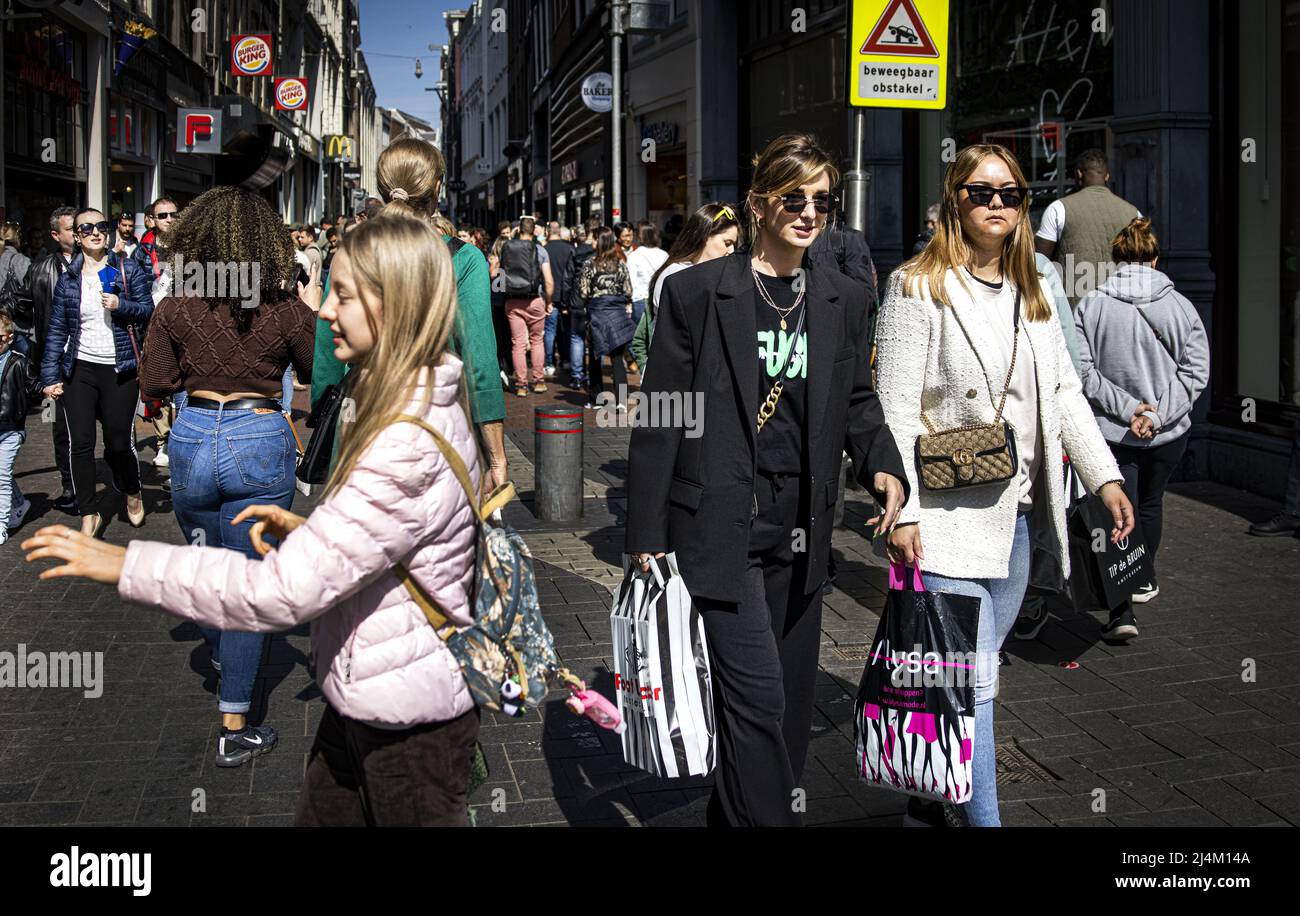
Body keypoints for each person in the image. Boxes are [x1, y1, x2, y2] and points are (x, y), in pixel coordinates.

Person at [24, 211, 484, 826]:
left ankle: (233, 703)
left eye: (341, 295)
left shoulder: (401, 435)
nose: (322, 311)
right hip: (371, 685)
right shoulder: (422, 393)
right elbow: (396, 533)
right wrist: (316, 531)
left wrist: (123, 563)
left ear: (392, 305)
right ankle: (237, 715)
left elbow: (279, 594)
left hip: (405, 715)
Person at [626, 133, 909, 826]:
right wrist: (644, 532)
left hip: (803, 529)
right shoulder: (697, 293)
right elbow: (663, 415)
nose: (808, 212)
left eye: (822, 200)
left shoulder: (842, 298)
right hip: (719, 526)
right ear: (757, 205)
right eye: (793, 198)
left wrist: (883, 466)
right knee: (758, 702)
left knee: (780, 720)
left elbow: (856, 401)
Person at [876, 143, 1135, 827]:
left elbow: (1065, 393)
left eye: (1010, 193)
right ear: (953, 201)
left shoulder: (1035, 290)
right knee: (976, 687)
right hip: (945, 520)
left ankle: (925, 810)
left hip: (1019, 521)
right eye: (980, 191)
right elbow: (896, 408)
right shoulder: (916, 286)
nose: (996, 204)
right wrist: (900, 510)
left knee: (960, 686)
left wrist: (1103, 476)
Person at [137, 186, 315, 766]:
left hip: (192, 436)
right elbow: (317, 369)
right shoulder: (283, 305)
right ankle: (235, 724)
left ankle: (220, 648)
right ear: (265, 241)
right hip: (258, 434)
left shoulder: (176, 306)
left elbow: (155, 382)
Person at [312, 136, 508, 496]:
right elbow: (479, 360)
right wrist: (495, 455)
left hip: (360, 423)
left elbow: (326, 352)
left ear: (383, 187)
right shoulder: (464, 259)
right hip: (436, 430)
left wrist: (328, 424)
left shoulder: (349, 252)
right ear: (437, 189)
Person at [1074, 217, 1209, 639]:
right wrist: (1155, 416)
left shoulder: (1092, 304)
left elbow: (1082, 370)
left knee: (1117, 513)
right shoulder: (1181, 306)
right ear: (1154, 257)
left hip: (1113, 432)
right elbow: (1196, 370)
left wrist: (1129, 409)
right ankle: (1143, 577)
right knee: (1150, 504)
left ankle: (1122, 610)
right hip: (1168, 432)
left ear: (1116, 258)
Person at [40, 208, 153, 537]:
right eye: (85, 228)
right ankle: (88, 511)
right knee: (81, 444)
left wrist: (121, 306)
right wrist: (50, 377)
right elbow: (57, 329)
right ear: (76, 236)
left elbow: (149, 311)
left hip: (120, 368)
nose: (94, 232)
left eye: (100, 226)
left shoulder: (126, 268)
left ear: (109, 231)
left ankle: (131, 489)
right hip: (80, 369)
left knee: (118, 443)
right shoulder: (70, 278)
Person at [630, 203, 741, 375]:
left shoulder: (711, 275)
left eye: (734, 244)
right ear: (705, 236)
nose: (731, 251)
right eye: (727, 243)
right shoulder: (676, 276)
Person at [1035, 149, 1141, 306]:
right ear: (1107, 176)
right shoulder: (1134, 213)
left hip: (1075, 309)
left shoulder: (1059, 209)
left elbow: (1038, 261)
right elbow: (1143, 264)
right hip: (1122, 308)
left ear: (1078, 173)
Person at [28, 207, 79, 512]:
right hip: (58, 362)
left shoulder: (105, 265)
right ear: (56, 235)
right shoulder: (40, 270)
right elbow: (21, 304)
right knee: (62, 428)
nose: (79, 233)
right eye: (72, 229)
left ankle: (125, 483)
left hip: (98, 360)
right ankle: (70, 487)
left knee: (114, 431)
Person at [579, 227, 634, 410]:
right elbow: (628, 290)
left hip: (597, 313)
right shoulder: (620, 263)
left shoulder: (589, 264)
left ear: (599, 241)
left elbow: (584, 292)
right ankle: (622, 402)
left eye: (594, 239)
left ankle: (596, 398)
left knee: (595, 356)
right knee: (617, 357)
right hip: (617, 312)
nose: (591, 242)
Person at [499, 216, 555, 396]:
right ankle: (538, 381)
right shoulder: (540, 250)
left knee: (518, 344)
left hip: (513, 300)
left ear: (519, 230)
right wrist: (549, 302)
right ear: (534, 231)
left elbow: (500, 276)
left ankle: (522, 385)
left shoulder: (507, 248)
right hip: (534, 300)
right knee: (537, 340)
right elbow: (549, 281)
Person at [0, 312, 32, 544]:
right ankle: (20, 503)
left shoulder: (18, 361)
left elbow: (34, 383)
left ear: (9, 338)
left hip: (11, 428)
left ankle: (1, 524)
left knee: (0, 476)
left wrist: (50, 389)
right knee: (1, 474)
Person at [561, 224, 595, 392]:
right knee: (596, 338)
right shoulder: (597, 253)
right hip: (594, 301)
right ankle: (594, 374)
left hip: (577, 301)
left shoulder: (574, 253)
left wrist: (565, 302)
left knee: (576, 337)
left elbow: (567, 279)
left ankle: (576, 376)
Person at [543, 220, 574, 377]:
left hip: (550, 295)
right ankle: (567, 360)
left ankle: (549, 363)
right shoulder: (569, 249)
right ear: (560, 232)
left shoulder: (543, 250)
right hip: (566, 296)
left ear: (548, 232)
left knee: (549, 331)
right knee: (567, 330)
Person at [626, 221, 669, 331]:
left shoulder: (634, 256)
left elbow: (631, 282)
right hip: (660, 300)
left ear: (640, 236)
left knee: (639, 340)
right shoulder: (664, 255)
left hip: (640, 299)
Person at [132, 197, 178, 279]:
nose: (169, 220)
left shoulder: (188, 245)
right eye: (162, 216)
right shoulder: (141, 251)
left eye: (173, 215)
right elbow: (134, 285)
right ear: (152, 220)